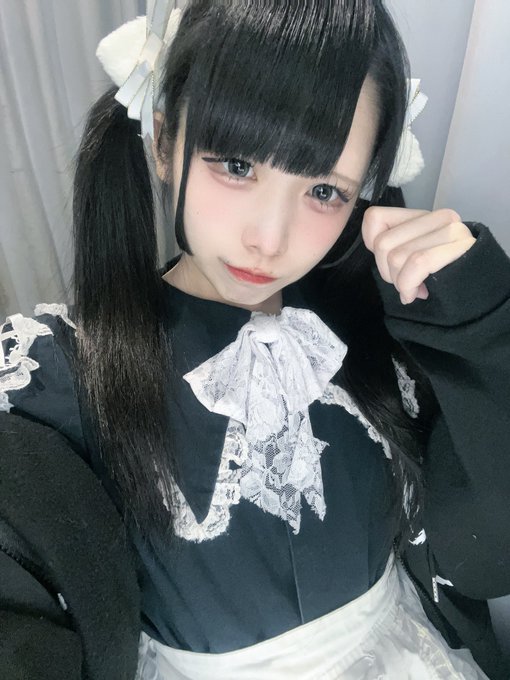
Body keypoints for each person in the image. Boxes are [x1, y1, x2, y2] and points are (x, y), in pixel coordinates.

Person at [1, 0, 509, 678]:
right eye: (237, 165)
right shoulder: (56, 371)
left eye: (324, 191)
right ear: (163, 141)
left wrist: (485, 325)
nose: (269, 240)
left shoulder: (383, 328)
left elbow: (486, 557)